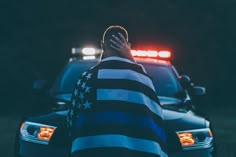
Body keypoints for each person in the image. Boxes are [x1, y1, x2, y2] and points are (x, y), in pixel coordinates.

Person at [67, 25, 168, 157]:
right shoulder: (141, 78)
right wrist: (131, 59)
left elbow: (71, 120)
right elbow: (155, 117)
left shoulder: (87, 78)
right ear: (128, 45)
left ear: (103, 45)